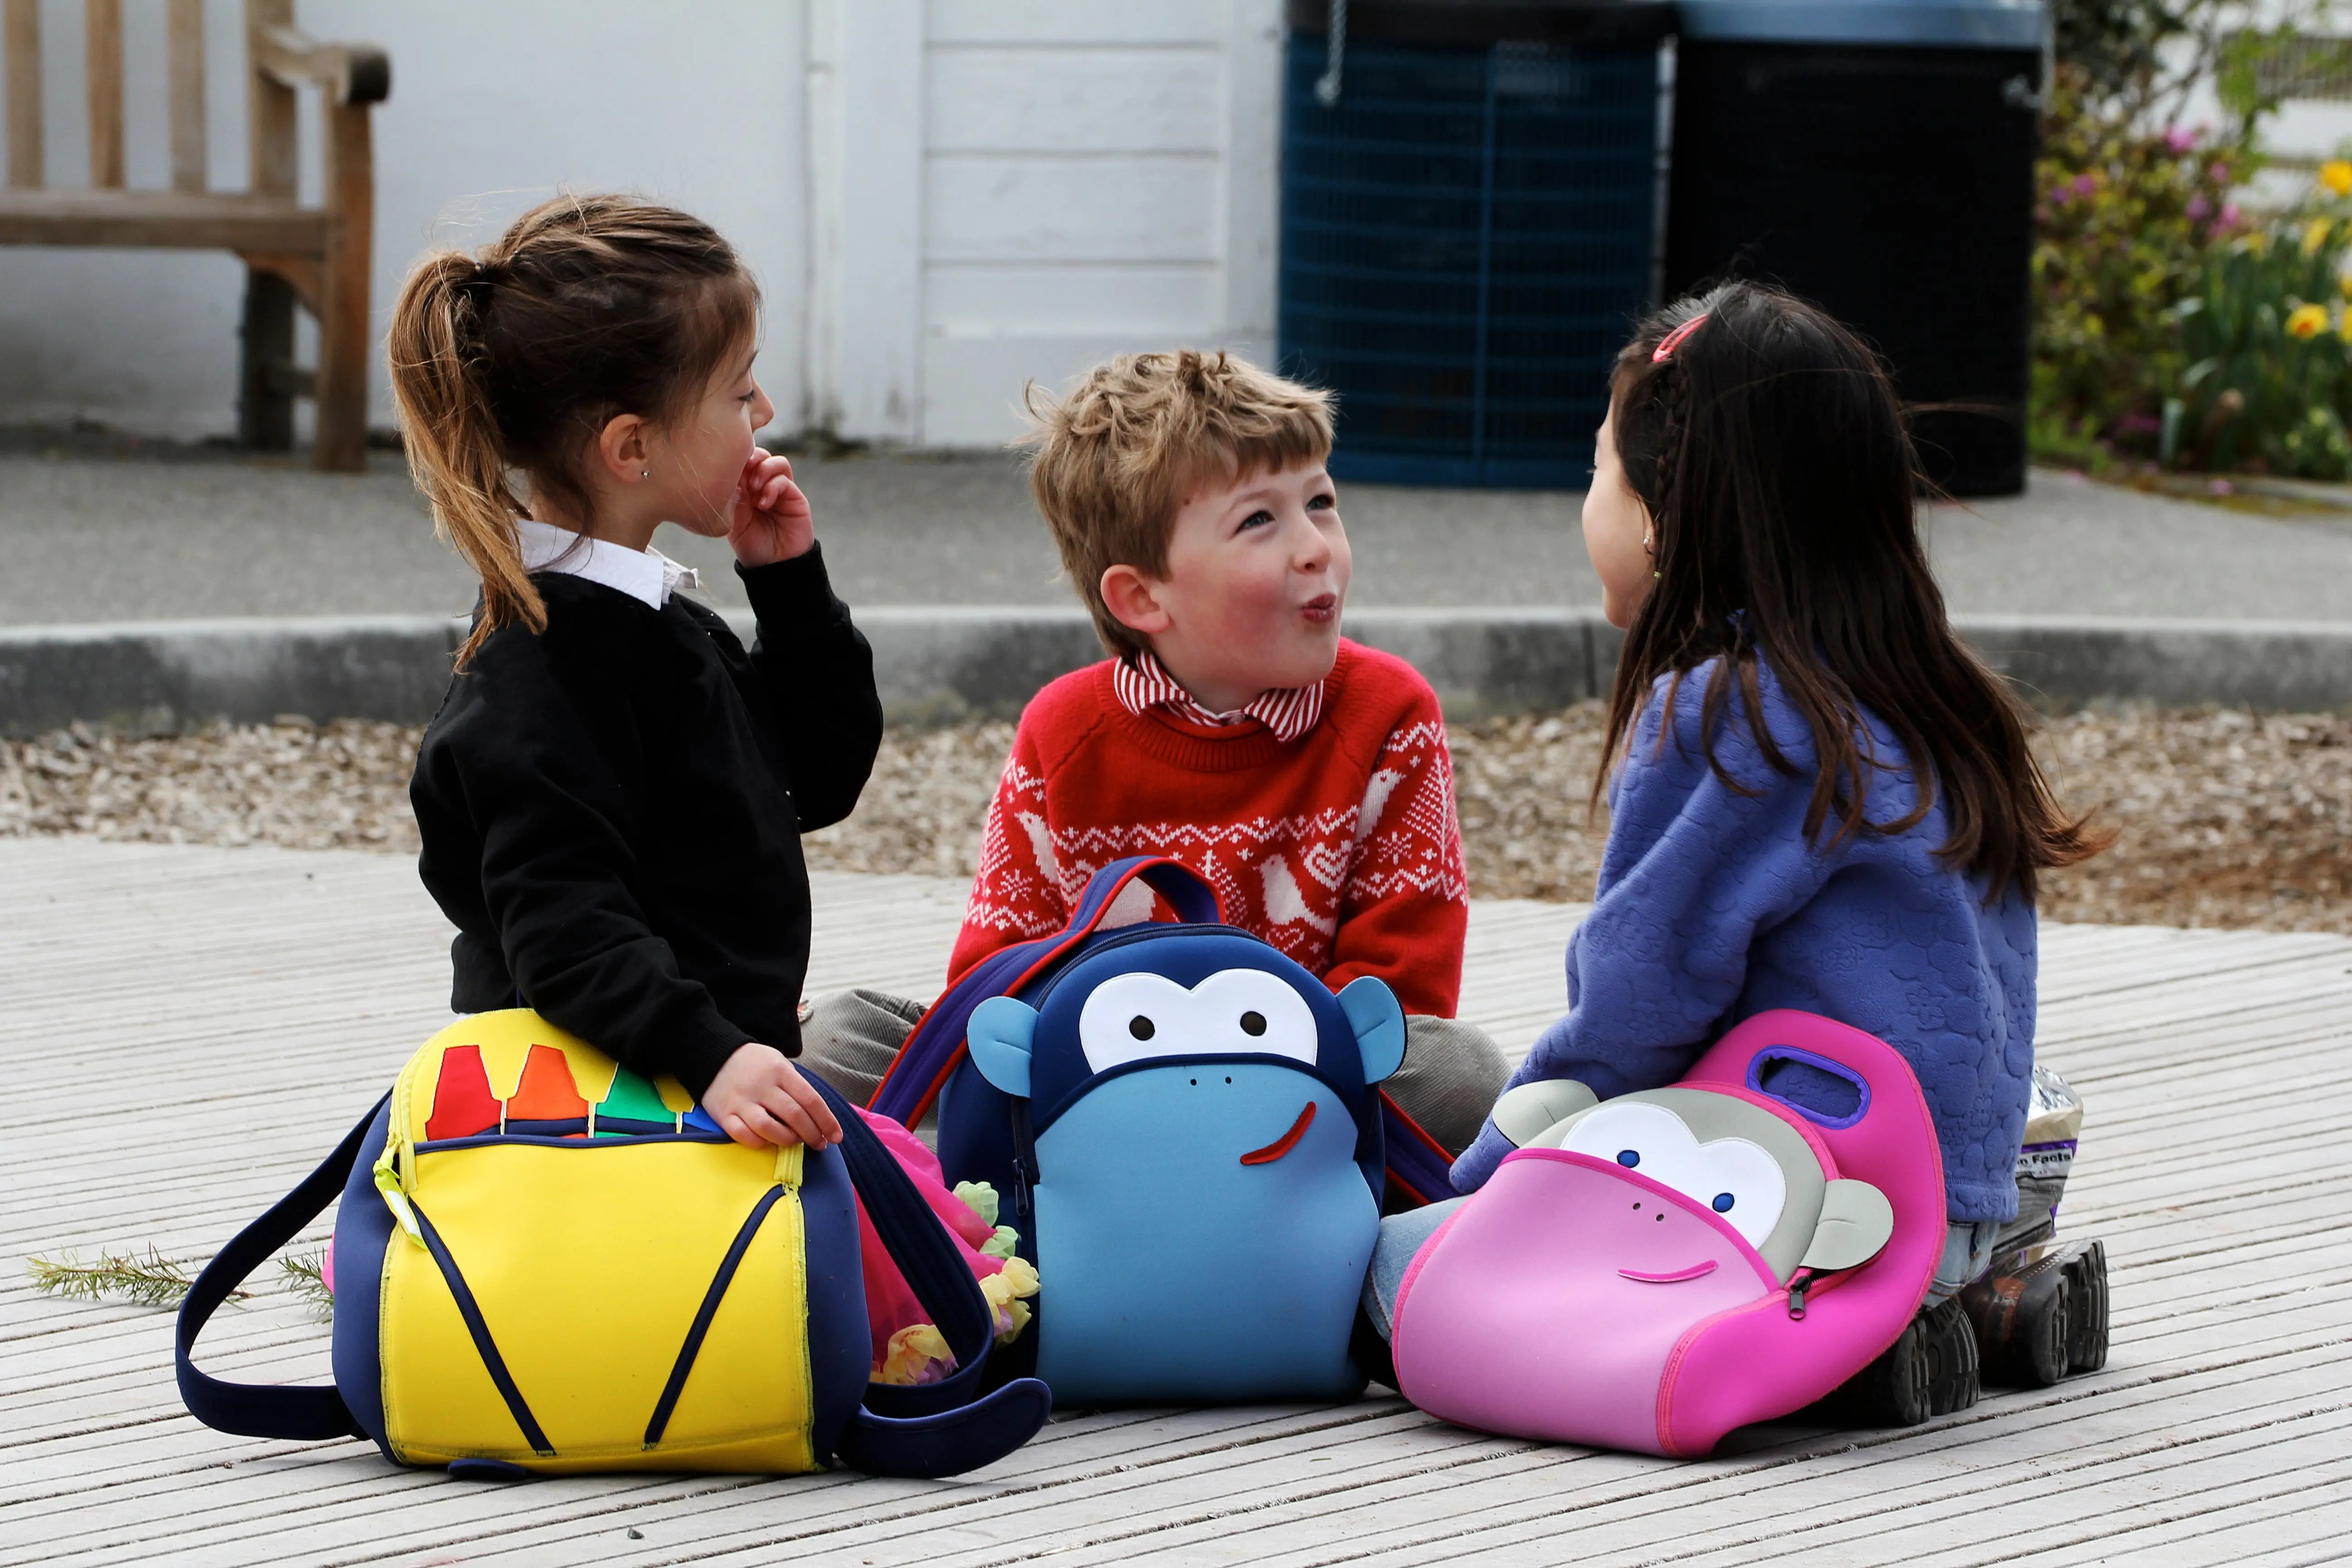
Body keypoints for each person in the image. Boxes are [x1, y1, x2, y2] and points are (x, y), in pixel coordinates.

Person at [1445, 283, 2107, 1301]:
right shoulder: (1933, 694)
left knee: (1398, 1283)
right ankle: (1963, 1314)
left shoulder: (1733, 712)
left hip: (1790, 1211)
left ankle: (1844, 1331)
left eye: (1598, 471)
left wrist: (1484, 1177)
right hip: (1958, 1209)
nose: (1588, 503)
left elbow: (1639, 1007)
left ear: (1670, 515)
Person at [801, 349, 1508, 1164]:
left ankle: (1144, 1182)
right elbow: (996, 977)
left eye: (1321, 502)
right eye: (1260, 521)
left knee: (1460, 1070)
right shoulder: (1063, 728)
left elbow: (1401, 993)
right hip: (1101, 1075)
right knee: (837, 1036)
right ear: (1142, 597)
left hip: (1299, 1084)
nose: (1316, 547)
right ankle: (1145, 1174)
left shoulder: (1389, 713)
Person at [391, 194, 879, 1156]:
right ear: (632, 447)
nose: (766, 413)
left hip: (701, 1075)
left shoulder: (652, 622)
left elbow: (813, 782)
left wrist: (788, 585)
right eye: (740, 393)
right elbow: (565, 931)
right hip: (602, 1124)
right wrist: (711, 1054)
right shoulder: (543, 669)